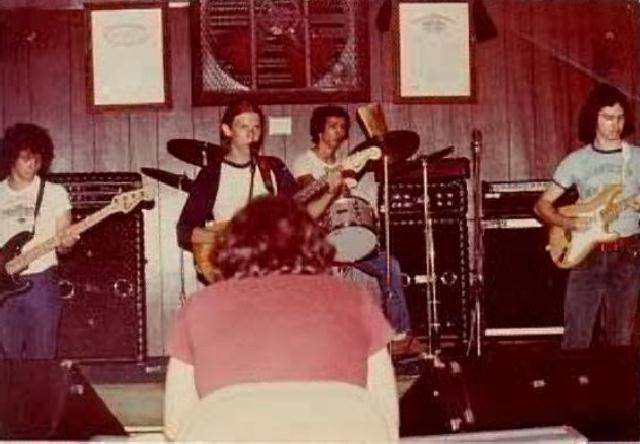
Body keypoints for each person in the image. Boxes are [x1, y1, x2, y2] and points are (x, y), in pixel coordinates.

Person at [164, 195, 398, 441]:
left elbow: (176, 425)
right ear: (313, 245)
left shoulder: (198, 308)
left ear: (232, 249)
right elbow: (386, 421)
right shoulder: (357, 301)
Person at [176, 99, 332, 281]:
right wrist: (224, 238)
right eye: (243, 126)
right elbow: (184, 231)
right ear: (227, 130)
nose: (251, 133)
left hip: (271, 271)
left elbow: (302, 216)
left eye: (256, 127)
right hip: (231, 271)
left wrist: (330, 192)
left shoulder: (273, 167)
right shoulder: (211, 174)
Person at [534, 83, 640, 349]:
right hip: (585, 255)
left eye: (620, 118)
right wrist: (569, 222)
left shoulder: (637, 158)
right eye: (608, 117)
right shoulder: (576, 161)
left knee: (621, 341)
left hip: (627, 254)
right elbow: (542, 206)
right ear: (593, 117)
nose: (615, 124)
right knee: (576, 340)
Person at [292, 105, 412, 338]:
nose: (339, 131)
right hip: (318, 240)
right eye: (333, 126)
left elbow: (350, 201)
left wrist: (368, 209)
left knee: (390, 266)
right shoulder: (304, 161)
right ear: (319, 131)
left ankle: (398, 331)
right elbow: (311, 191)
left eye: (342, 127)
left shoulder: (347, 162)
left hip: (347, 235)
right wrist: (336, 179)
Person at [0, 123, 79, 359]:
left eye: (37, 158)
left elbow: (64, 247)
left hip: (41, 284)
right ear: (11, 156)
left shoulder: (54, 193)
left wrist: (67, 243)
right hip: (2, 286)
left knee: (42, 360)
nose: (33, 163)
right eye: (26, 157)